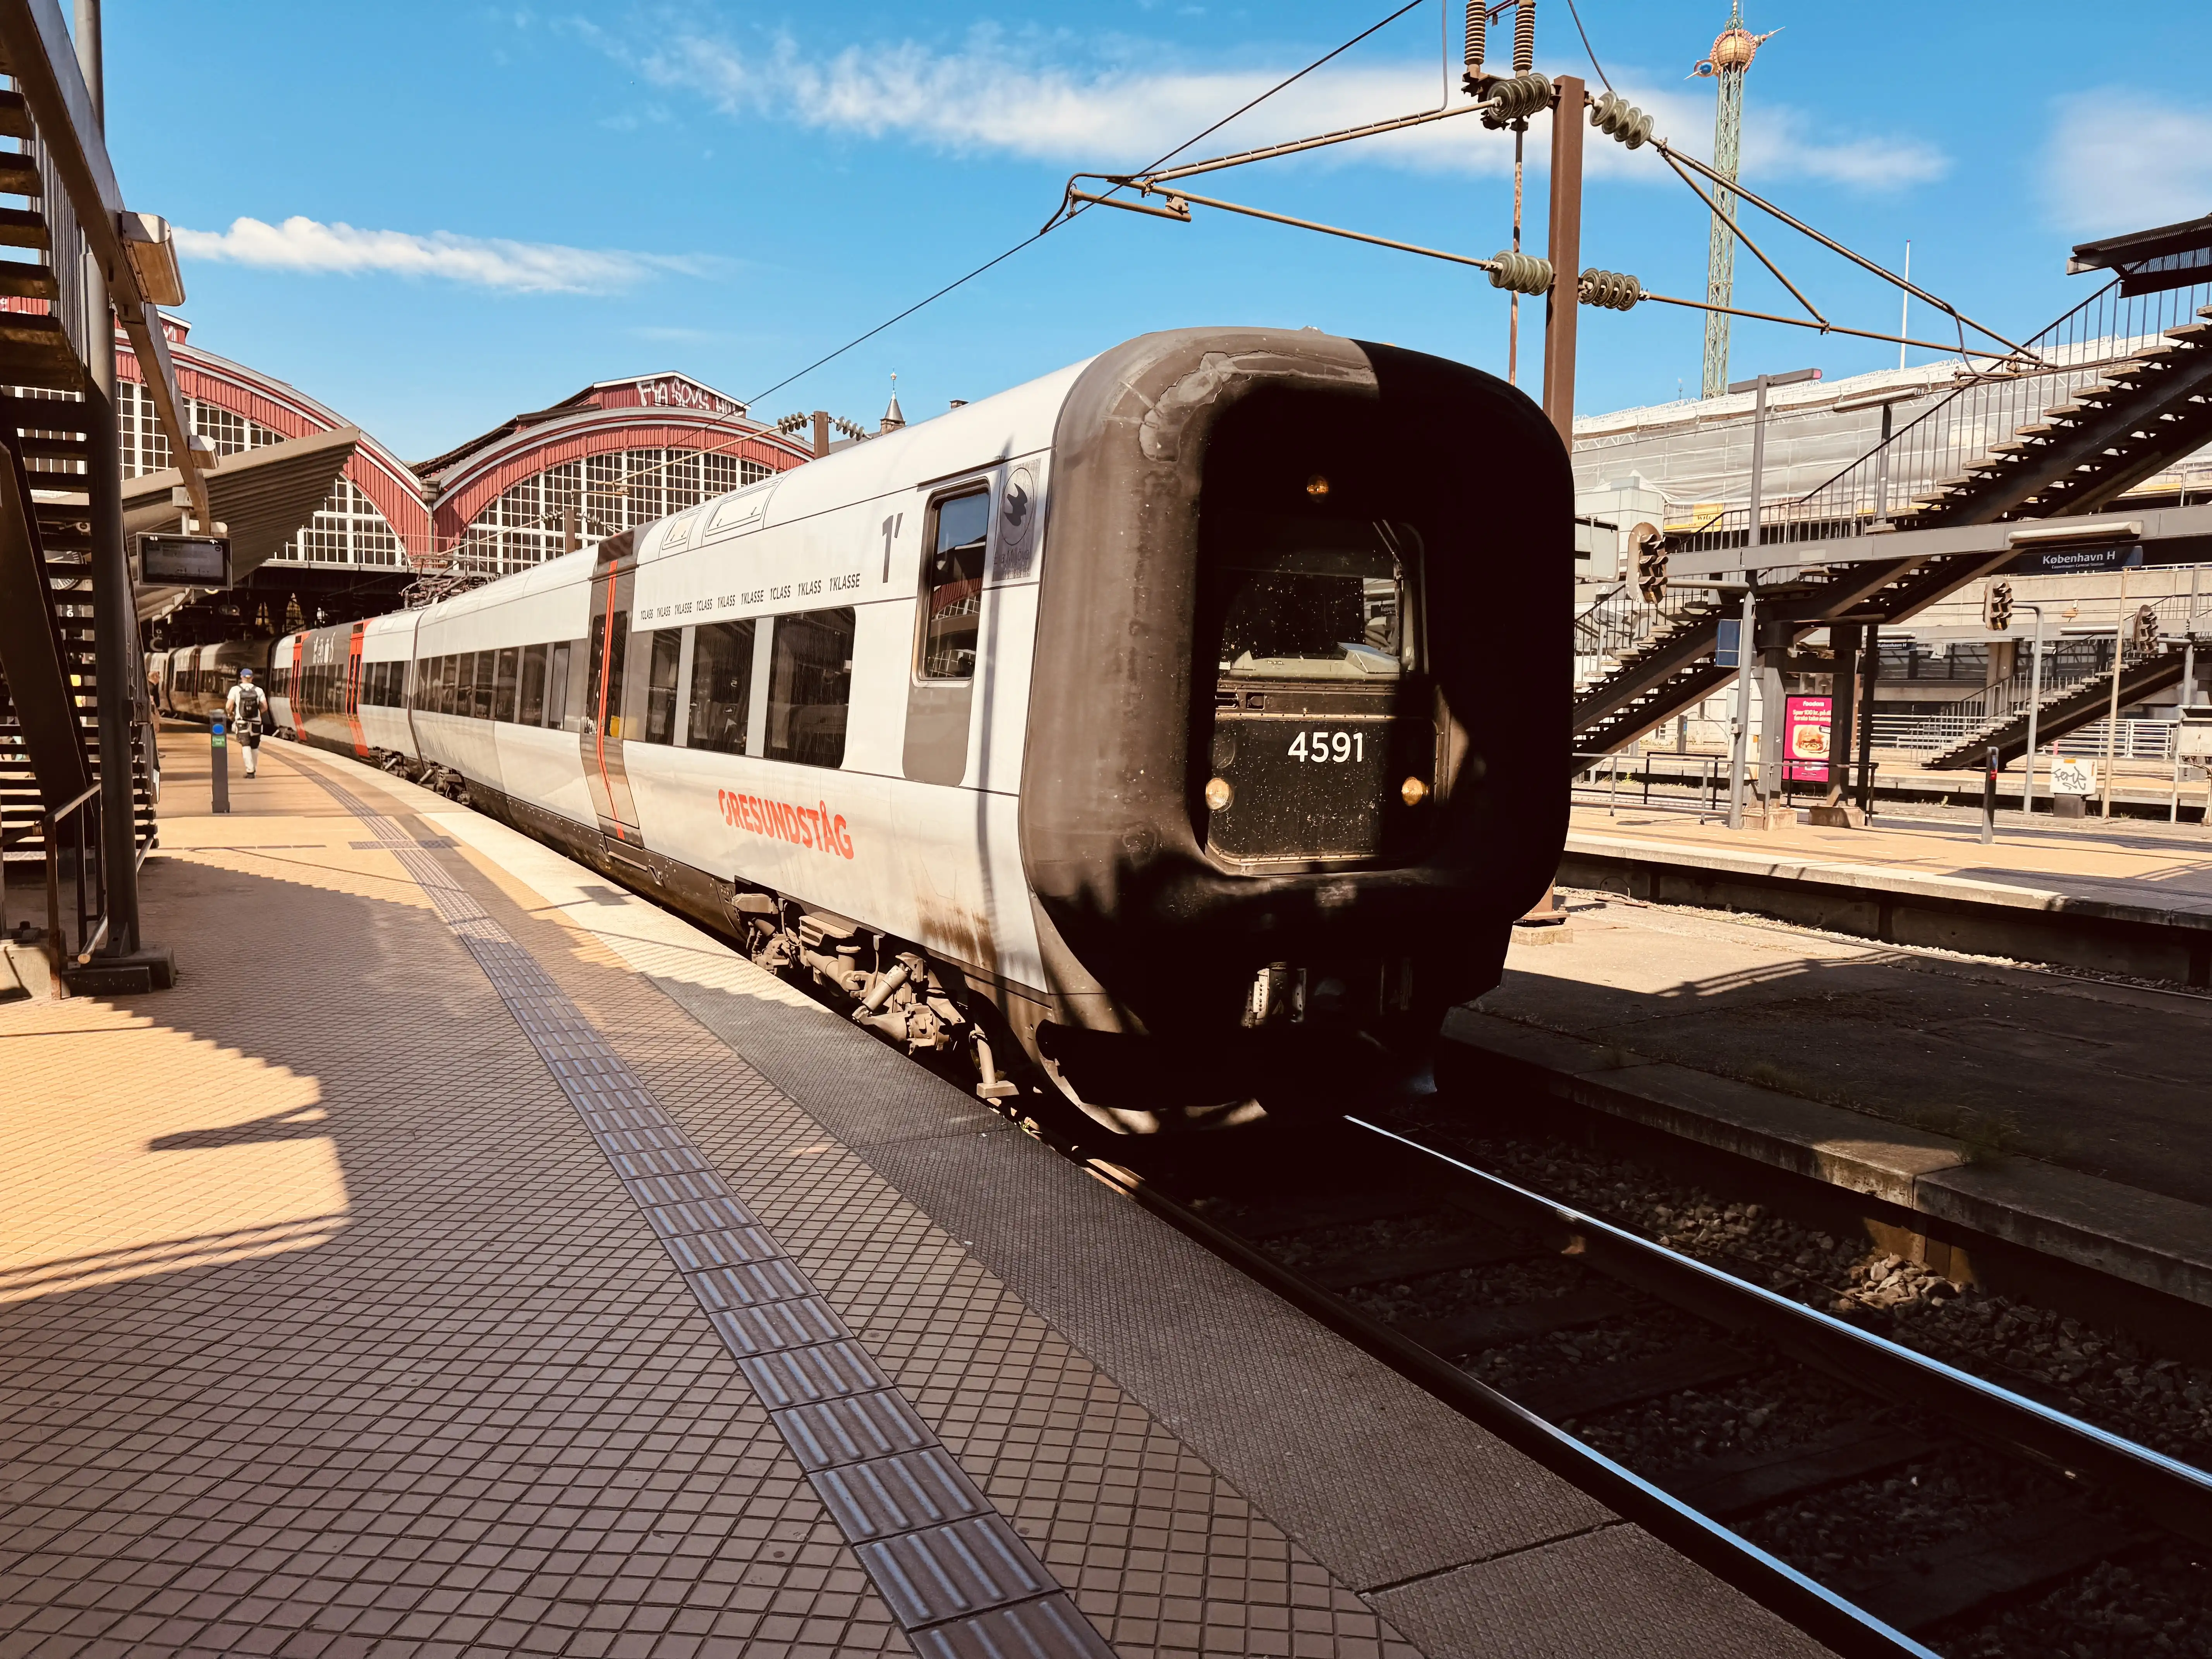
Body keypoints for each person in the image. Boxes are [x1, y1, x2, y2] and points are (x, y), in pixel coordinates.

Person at [225, 668, 268, 779]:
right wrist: (257, 714)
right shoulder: (259, 690)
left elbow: (228, 706)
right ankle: (253, 769)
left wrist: (231, 715)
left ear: (241, 677)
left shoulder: (235, 690)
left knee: (246, 745)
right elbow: (265, 707)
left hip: (242, 722)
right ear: (252, 678)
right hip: (256, 723)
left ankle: (250, 771)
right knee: (255, 747)